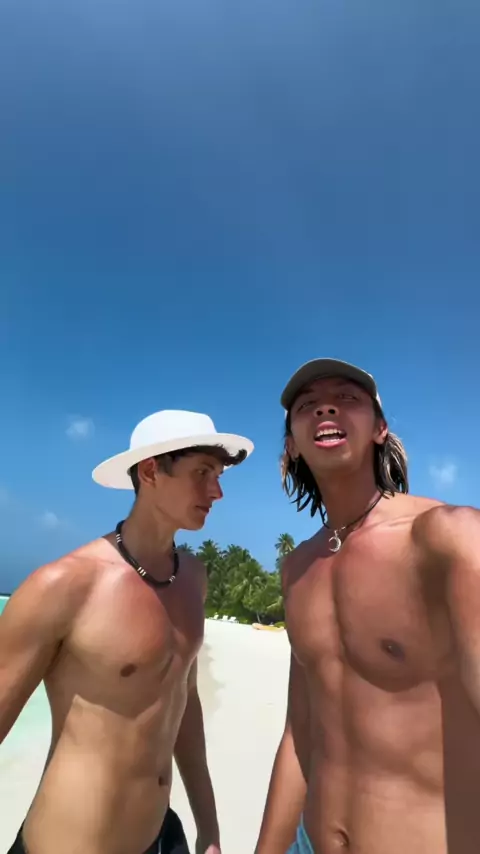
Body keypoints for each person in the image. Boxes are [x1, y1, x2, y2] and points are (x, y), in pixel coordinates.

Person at [0, 409, 254, 854]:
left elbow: (184, 705)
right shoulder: (65, 586)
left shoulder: (193, 578)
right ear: (151, 471)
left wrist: (209, 829)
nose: (217, 491)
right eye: (202, 473)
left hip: (159, 838)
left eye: (217, 476)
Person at [255, 358, 480, 854]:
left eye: (347, 398)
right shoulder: (298, 568)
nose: (326, 408)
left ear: (380, 429)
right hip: (308, 841)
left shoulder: (447, 540)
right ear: (291, 446)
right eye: (307, 405)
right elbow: (300, 734)